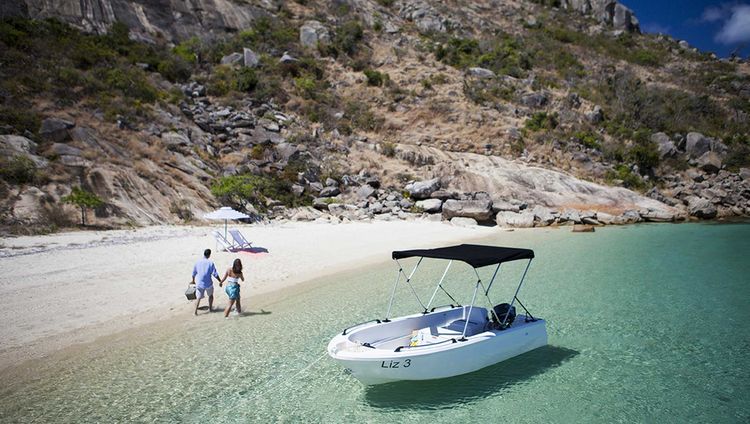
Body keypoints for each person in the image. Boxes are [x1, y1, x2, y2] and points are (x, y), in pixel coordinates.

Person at [191, 249, 221, 315]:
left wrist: (193, 280)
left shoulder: (197, 262)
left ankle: (195, 312)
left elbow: (193, 273)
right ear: (209, 255)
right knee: (210, 295)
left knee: (198, 298)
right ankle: (210, 309)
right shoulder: (210, 263)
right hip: (208, 283)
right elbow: (215, 274)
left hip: (199, 283)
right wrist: (220, 281)